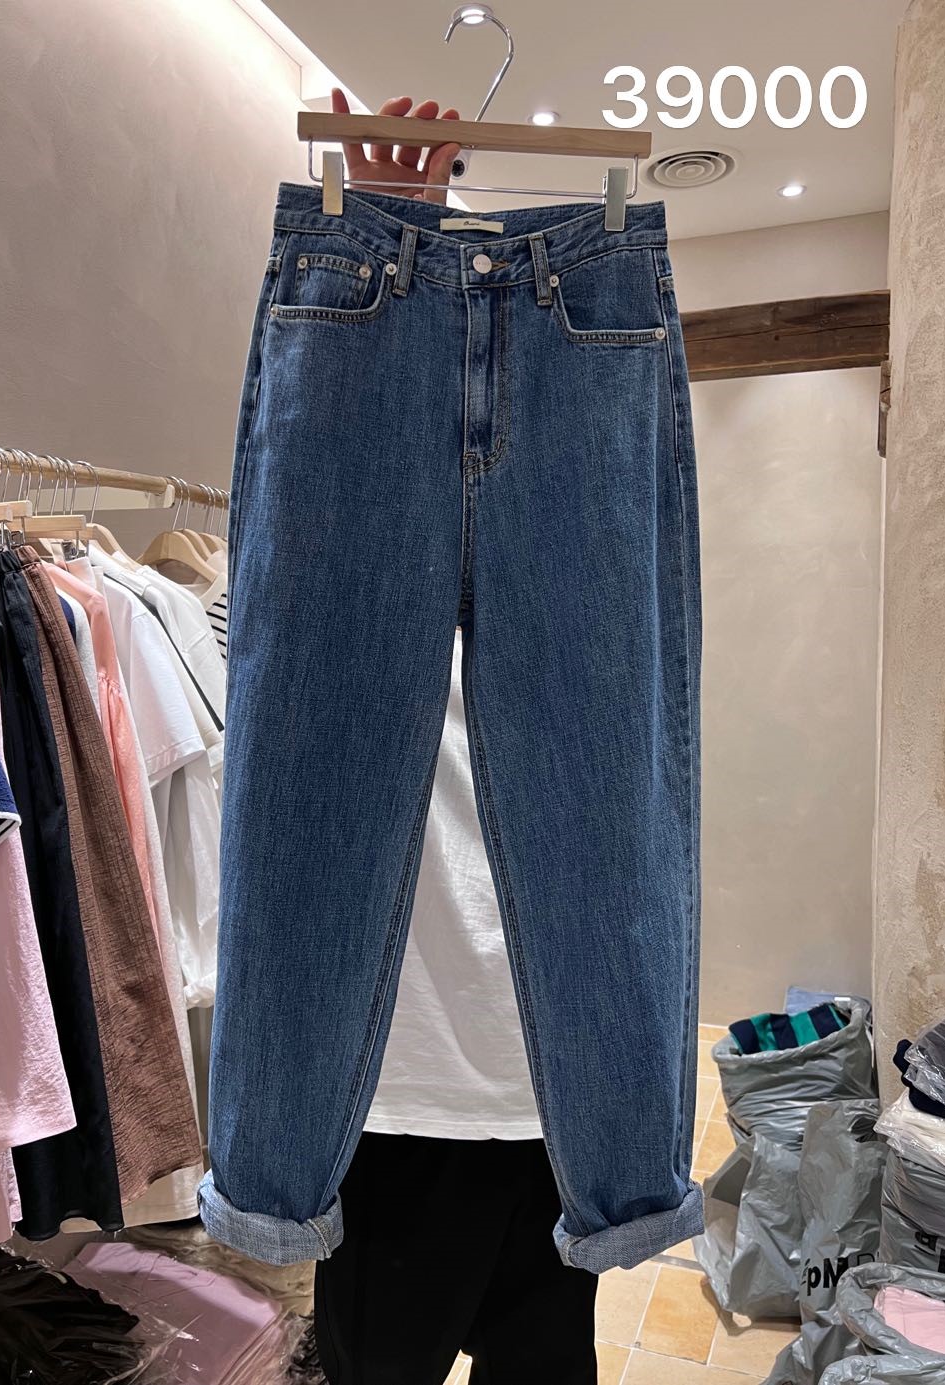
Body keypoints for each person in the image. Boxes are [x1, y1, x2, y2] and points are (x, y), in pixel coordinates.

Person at [312, 94, 600, 1385]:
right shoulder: (345, 585)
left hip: (562, 1088)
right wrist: (389, 249)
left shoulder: (586, 591)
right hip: (394, 1085)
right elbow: (333, 471)